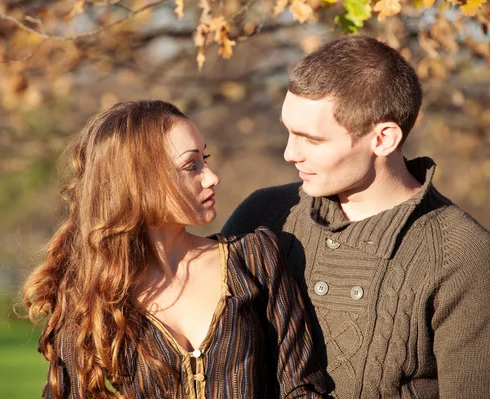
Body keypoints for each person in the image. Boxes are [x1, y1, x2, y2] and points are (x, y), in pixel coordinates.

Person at [222, 35, 490, 398]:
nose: (289, 153)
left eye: (311, 139)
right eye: (288, 132)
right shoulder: (264, 216)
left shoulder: (461, 253)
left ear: (383, 139)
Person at [21, 100, 328, 399]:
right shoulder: (89, 298)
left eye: (204, 159)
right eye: (190, 165)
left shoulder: (253, 258)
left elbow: (301, 388)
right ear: (138, 182)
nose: (211, 176)